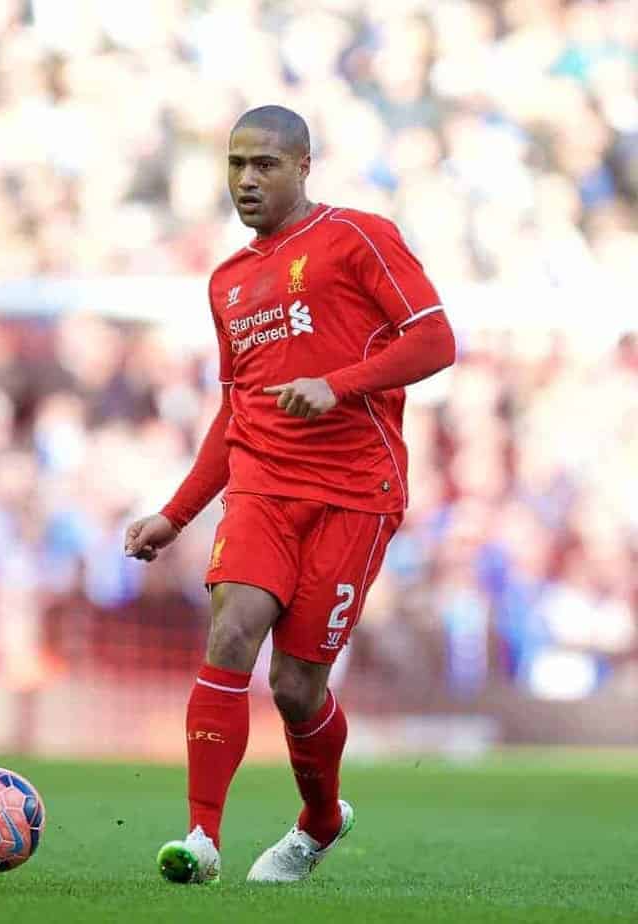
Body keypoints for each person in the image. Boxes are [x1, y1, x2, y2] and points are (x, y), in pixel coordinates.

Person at [123, 105, 456, 884]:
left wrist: (338, 386)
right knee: (232, 630)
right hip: (264, 487)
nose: (246, 179)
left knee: (296, 687)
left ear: (304, 167)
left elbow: (436, 340)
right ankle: (201, 839)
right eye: (236, 163)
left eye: (265, 164)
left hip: (355, 493)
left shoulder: (358, 236)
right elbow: (235, 411)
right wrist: (175, 515)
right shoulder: (228, 283)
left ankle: (319, 820)